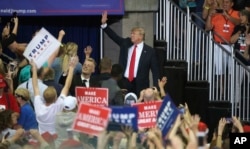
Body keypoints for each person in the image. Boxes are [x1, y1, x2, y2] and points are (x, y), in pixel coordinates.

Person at [101, 11, 159, 96]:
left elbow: (155, 71)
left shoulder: (150, 51)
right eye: (131, 33)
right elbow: (114, 37)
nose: (131, 35)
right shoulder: (126, 43)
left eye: (134, 34)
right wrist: (104, 25)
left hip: (140, 85)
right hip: (124, 82)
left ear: (141, 36)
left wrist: (156, 88)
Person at [31, 55, 78, 135]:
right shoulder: (58, 105)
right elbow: (67, 86)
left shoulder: (38, 107)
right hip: (55, 140)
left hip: (43, 139)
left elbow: (35, 87)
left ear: (43, 97)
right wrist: (71, 68)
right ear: (56, 97)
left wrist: (34, 69)